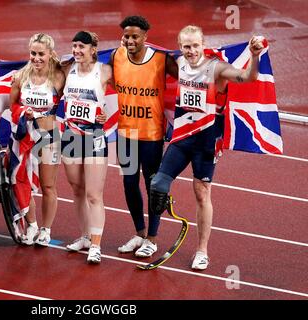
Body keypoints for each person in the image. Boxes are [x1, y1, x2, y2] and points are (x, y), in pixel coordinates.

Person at [150, 25, 265, 270]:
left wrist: (254, 56)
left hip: (206, 141)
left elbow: (248, 78)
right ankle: (151, 238)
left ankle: (202, 250)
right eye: (186, 46)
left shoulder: (216, 68)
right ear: (180, 47)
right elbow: (153, 59)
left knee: (202, 193)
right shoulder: (179, 62)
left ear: (203, 44)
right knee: (158, 184)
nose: (191, 51)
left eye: (195, 46)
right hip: (182, 138)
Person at [110, 15, 178, 258]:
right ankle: (139, 233)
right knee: (129, 183)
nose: (130, 40)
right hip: (126, 132)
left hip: (151, 135)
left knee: (153, 186)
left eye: (135, 36)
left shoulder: (161, 59)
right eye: (126, 36)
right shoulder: (116, 56)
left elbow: (189, 75)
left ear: (145, 37)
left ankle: (152, 238)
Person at [61, 30, 112, 264]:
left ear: (93, 49)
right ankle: (83, 236)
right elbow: (39, 74)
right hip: (71, 136)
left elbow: (128, 90)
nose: (77, 51)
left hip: (94, 136)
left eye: (81, 47)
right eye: (74, 46)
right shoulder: (66, 68)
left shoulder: (103, 71)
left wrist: (110, 116)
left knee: (94, 194)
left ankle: (96, 245)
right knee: (77, 189)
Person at [9, 33, 65, 246]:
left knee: (48, 186)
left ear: (50, 54)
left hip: (49, 138)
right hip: (26, 137)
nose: (36, 58)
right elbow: (12, 105)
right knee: (23, 181)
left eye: (41, 53)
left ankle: (46, 230)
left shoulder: (59, 77)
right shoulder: (21, 76)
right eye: (33, 53)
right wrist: (24, 111)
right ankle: (31, 224)